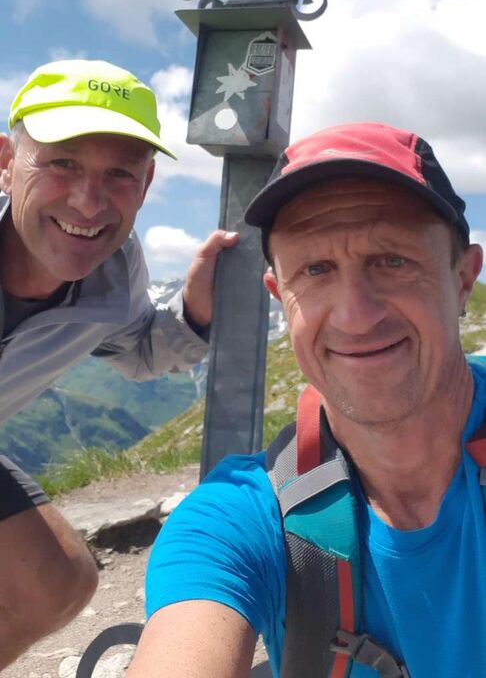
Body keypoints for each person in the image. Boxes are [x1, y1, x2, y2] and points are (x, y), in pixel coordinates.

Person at [127, 122, 486, 678]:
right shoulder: (238, 517)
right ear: (281, 295)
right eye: (315, 271)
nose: (355, 317)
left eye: (392, 260)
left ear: (463, 277)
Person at [0, 58, 238, 669]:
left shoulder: (114, 269)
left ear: (147, 182)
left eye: (120, 173)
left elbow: (136, 348)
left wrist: (194, 311)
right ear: (5, 161)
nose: (89, 201)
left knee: (57, 581)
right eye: (62, 163)